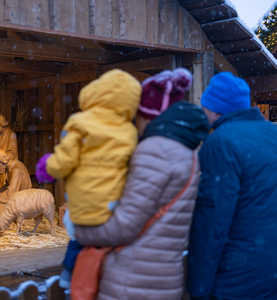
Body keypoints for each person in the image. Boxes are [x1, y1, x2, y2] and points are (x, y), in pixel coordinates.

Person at [70, 78, 209, 299]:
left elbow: (125, 226)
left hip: (131, 279)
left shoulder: (154, 151)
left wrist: (80, 230)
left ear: (147, 114)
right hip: (163, 276)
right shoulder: (187, 153)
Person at [36, 69, 145, 288]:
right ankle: (110, 275)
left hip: (85, 202)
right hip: (115, 204)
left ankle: (68, 276)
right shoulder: (128, 131)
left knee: (79, 239)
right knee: (109, 243)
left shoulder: (80, 122)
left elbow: (65, 159)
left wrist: (48, 167)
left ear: (96, 93)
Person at [187, 72, 277, 299]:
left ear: (216, 109)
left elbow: (212, 221)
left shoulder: (220, 142)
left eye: (205, 106)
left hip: (238, 272)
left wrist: (198, 286)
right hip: (273, 266)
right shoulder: (274, 135)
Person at [0, 149, 32, 215]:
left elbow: (11, 191)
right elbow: (7, 186)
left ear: (2, 161)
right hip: (15, 196)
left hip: (23, 201)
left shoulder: (16, 169)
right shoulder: (9, 168)